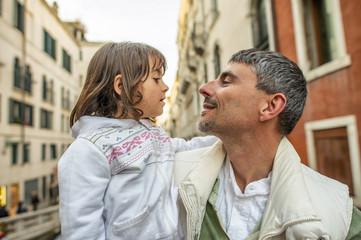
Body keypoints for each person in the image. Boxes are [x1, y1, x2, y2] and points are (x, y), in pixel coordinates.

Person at [174, 49, 361, 239]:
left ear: (270, 106)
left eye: (226, 82)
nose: (204, 88)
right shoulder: (173, 176)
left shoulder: (340, 217)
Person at [58, 42, 217, 239]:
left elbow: (188, 148)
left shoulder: (155, 135)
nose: (165, 87)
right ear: (122, 86)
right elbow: (81, 231)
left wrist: (231, 137)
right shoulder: (89, 150)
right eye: (157, 79)